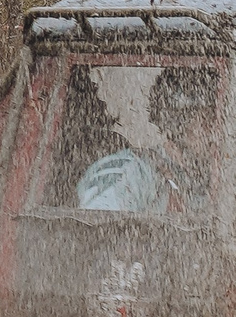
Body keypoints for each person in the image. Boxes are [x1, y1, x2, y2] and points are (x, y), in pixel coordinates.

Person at [77, 66, 221, 215]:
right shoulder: (129, 172)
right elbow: (93, 230)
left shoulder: (200, 178)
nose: (217, 132)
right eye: (208, 122)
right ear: (179, 122)